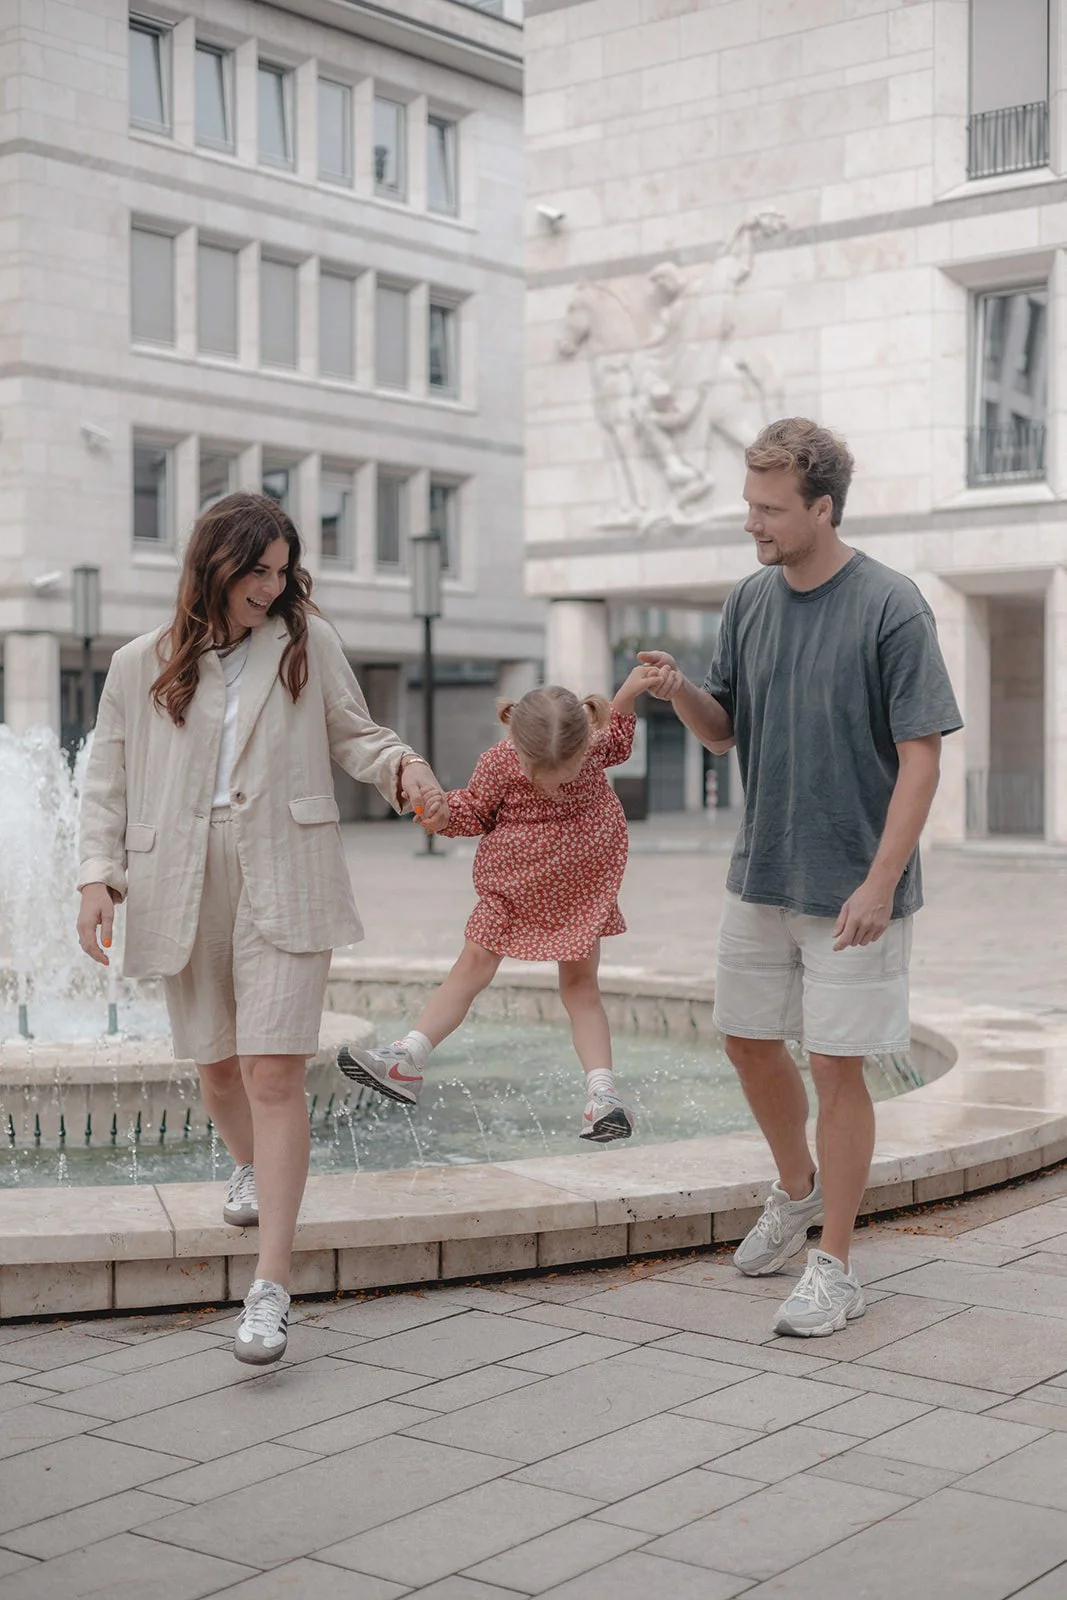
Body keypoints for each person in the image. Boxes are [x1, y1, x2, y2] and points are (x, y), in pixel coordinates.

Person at [76, 492, 447, 1366]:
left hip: (287, 863)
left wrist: (404, 768)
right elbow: (106, 777)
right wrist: (97, 877)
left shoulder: (306, 642)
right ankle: (246, 1164)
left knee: (272, 1072)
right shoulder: (138, 663)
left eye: (282, 572)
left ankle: (271, 1286)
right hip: (179, 872)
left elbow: (356, 734)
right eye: (257, 571)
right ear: (214, 565)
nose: (272, 587)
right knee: (216, 1068)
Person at [640, 417, 962, 1338]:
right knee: (745, 1041)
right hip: (763, 872)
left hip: (853, 887)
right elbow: (723, 731)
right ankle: (796, 1189)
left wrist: (879, 882)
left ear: (822, 508)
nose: (752, 523)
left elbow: (922, 757)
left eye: (770, 509)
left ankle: (836, 1265)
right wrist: (678, 691)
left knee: (836, 1068)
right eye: (749, 505)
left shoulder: (892, 605)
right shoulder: (748, 600)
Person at [337, 667, 657, 1142]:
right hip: (511, 885)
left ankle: (602, 1096)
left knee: (580, 987)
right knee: (472, 964)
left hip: (578, 890)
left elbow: (621, 735)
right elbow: (474, 810)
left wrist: (629, 690)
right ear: (516, 747)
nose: (551, 785)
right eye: (538, 773)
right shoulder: (499, 762)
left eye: (564, 773)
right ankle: (408, 1057)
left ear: (583, 746)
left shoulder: (593, 745)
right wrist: (442, 814)